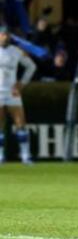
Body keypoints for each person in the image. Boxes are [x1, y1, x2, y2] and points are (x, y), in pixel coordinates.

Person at [0, 26, 37, 164]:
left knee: (20, 123)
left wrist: (22, 84)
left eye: (7, 35)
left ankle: (25, 156)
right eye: (3, 35)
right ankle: (0, 156)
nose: (5, 37)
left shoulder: (16, 52)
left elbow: (31, 66)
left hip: (12, 92)